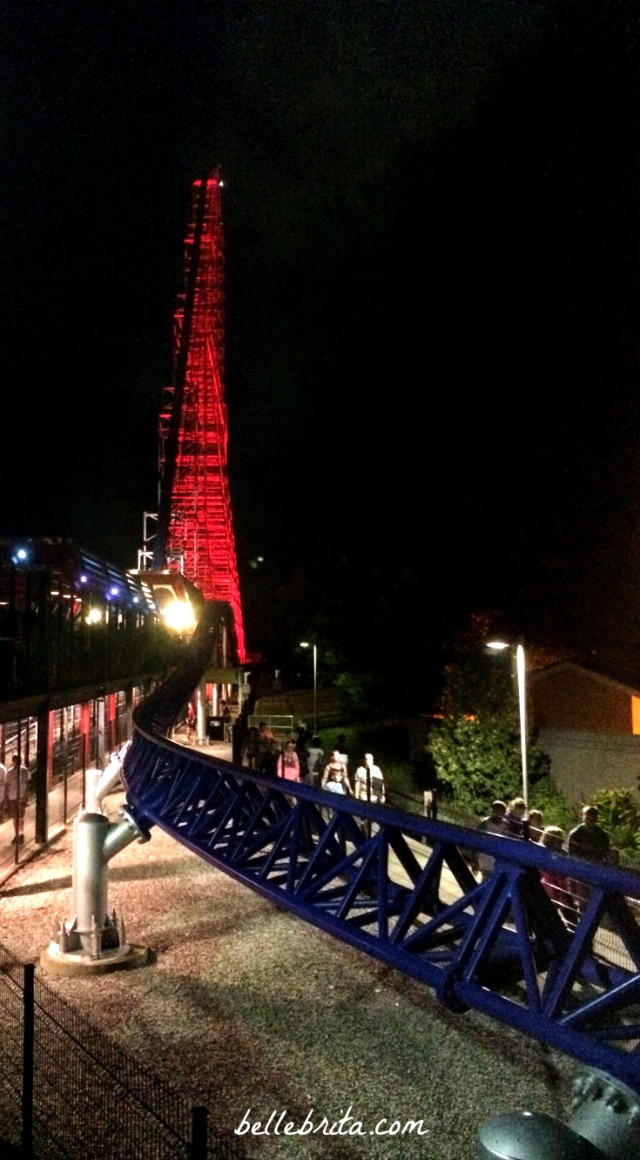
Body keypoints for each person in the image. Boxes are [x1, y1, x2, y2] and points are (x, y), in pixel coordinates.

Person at [538, 825, 578, 928]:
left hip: (563, 887)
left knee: (571, 913)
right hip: (549, 886)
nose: (560, 843)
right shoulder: (543, 851)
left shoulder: (563, 853)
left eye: (561, 841)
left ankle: (575, 933)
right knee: (549, 915)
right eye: (557, 841)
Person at [473, 800, 507, 881]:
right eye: (496, 811)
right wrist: (474, 860)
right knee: (486, 879)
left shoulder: (505, 826)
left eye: (501, 812)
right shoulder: (484, 823)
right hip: (484, 857)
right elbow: (476, 841)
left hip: (496, 858)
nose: (498, 814)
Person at [6, 753, 28, 846]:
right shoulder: (12, 772)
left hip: (18, 796)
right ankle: (18, 834)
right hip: (14, 796)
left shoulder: (23, 771)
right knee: (16, 817)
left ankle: (20, 834)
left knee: (19, 817)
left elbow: (27, 783)